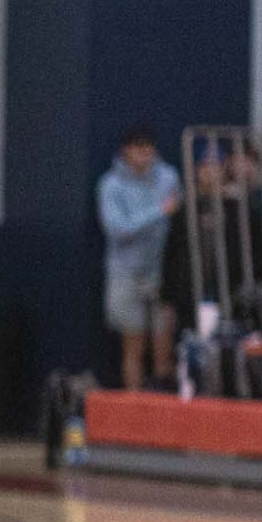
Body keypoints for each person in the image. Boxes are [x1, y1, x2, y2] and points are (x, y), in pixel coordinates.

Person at [98, 124, 182, 390]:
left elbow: (178, 219)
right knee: (133, 345)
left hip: (161, 273)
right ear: (126, 151)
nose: (145, 156)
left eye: (149, 150)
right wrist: (159, 211)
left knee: (163, 345)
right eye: (138, 149)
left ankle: (163, 404)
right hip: (125, 273)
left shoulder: (168, 177)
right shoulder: (111, 185)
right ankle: (134, 405)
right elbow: (117, 230)